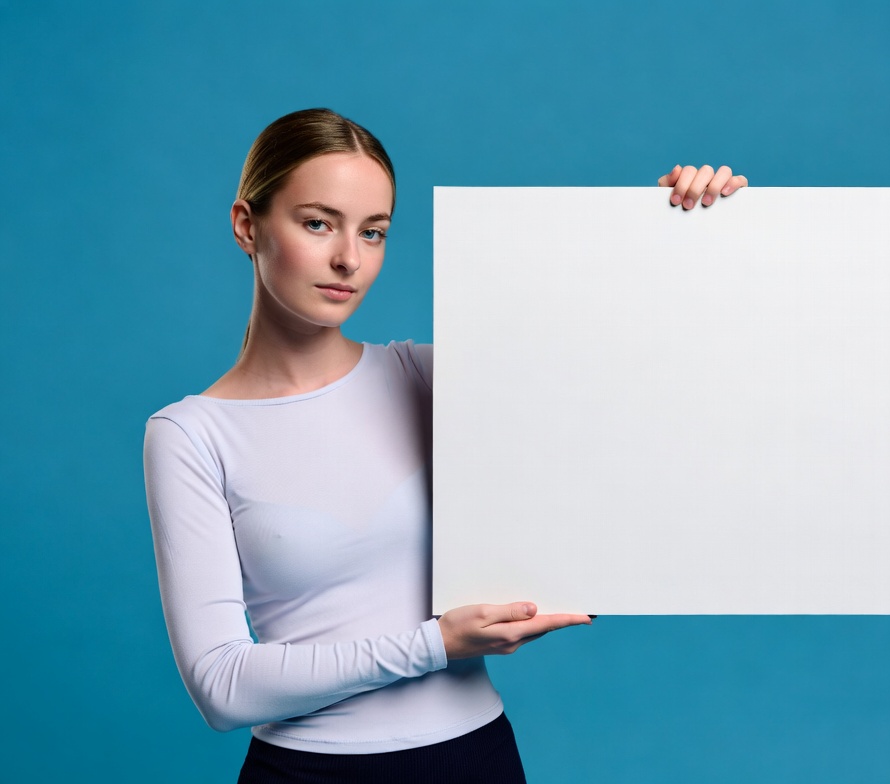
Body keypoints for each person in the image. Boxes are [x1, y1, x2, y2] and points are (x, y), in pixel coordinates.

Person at [143, 108, 747, 783]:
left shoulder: (434, 379)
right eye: (318, 223)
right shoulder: (190, 434)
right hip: (306, 774)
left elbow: (639, 406)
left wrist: (689, 233)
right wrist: (438, 644)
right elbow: (222, 686)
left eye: (373, 232)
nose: (349, 257)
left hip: (475, 760)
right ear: (247, 225)